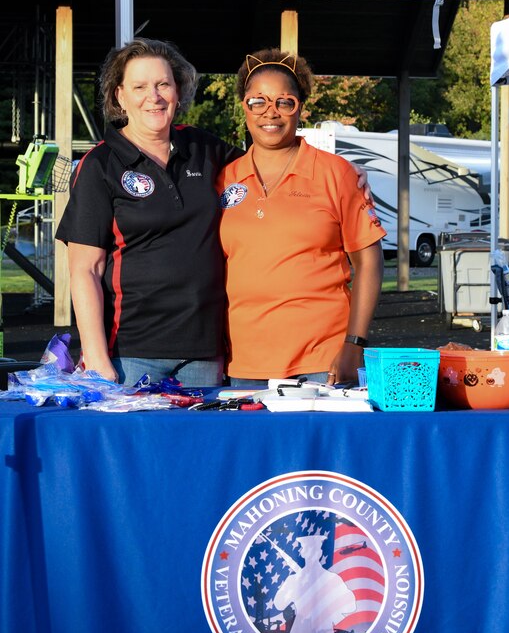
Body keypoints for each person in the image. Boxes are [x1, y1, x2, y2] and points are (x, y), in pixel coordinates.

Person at [55, 37, 242, 386]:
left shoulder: (205, 149)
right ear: (119, 96)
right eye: (139, 86)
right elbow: (85, 270)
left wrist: (347, 171)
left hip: (205, 353)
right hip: (131, 355)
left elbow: (270, 165)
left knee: (200, 443)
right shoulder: (101, 165)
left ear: (178, 90)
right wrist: (95, 354)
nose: (153, 97)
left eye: (163, 84)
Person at [217, 49, 386, 387]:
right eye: (258, 102)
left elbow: (369, 262)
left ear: (300, 107)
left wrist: (354, 344)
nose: (271, 112)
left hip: (322, 360)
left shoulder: (335, 173)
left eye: (285, 102)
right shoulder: (222, 178)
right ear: (244, 107)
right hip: (244, 365)